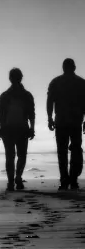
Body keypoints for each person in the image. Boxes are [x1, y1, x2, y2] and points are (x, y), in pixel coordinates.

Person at [47, 58, 85, 191]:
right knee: (75, 149)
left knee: (62, 151)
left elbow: (50, 101)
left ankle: (65, 179)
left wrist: (49, 118)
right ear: (74, 68)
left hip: (62, 121)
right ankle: (73, 179)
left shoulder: (56, 82)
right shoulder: (81, 83)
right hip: (75, 121)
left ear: (63, 68)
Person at [0, 68, 35, 191]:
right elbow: (31, 114)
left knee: (10, 156)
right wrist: (32, 127)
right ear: (21, 77)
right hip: (22, 128)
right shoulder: (27, 95)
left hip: (7, 129)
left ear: (10, 78)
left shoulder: (5, 95)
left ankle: (10, 181)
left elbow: (0, 114)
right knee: (22, 155)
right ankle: (18, 177)